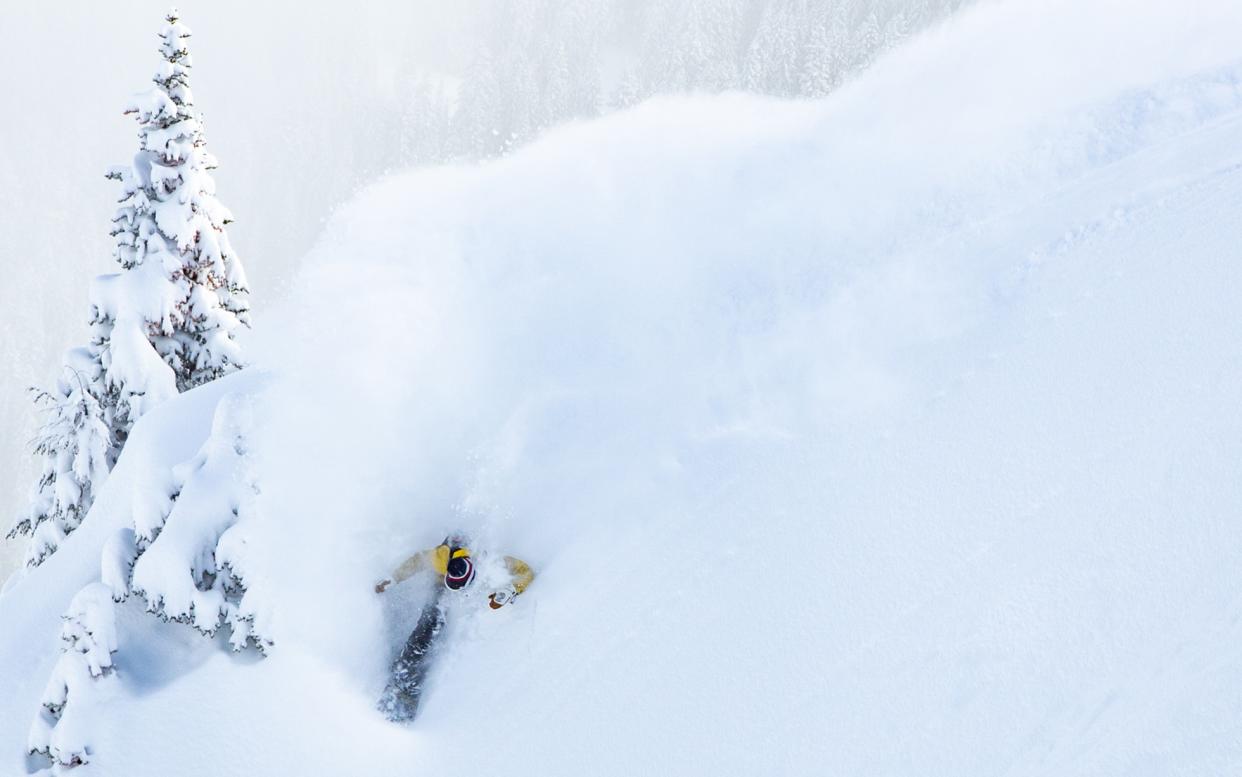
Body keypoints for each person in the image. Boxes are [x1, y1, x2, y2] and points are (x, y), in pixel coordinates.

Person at [374, 535, 534, 721]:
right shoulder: (441, 558)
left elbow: (526, 572)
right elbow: (416, 562)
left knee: (439, 626)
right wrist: (393, 579)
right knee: (429, 627)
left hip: (460, 586)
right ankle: (402, 677)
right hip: (441, 589)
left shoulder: (487, 559)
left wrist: (511, 589)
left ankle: (418, 672)